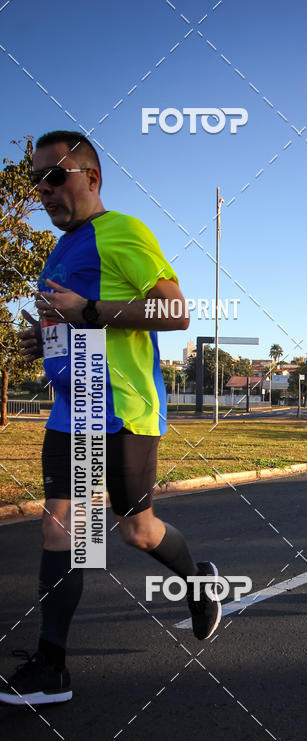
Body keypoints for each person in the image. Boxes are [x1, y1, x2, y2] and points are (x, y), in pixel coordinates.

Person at [0, 131, 220, 707]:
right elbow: (72, 325)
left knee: (134, 530)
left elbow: (176, 311)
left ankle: (198, 581)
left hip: (124, 410)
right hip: (72, 412)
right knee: (62, 528)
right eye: (36, 181)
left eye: (56, 176)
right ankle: (52, 667)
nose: (43, 190)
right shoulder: (58, 250)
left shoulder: (121, 230)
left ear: (91, 178)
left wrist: (88, 310)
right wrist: (43, 339)